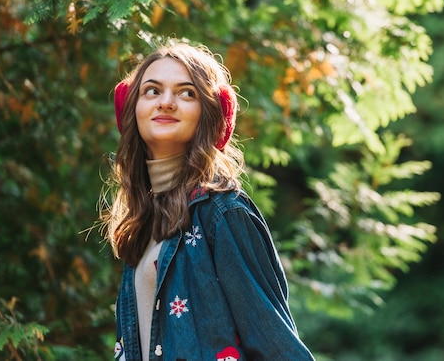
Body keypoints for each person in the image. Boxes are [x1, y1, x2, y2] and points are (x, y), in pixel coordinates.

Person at [102, 40, 315, 361]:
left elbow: (278, 346)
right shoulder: (146, 223)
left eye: (187, 93)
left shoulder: (222, 213)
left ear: (210, 114)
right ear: (130, 108)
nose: (167, 102)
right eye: (152, 91)